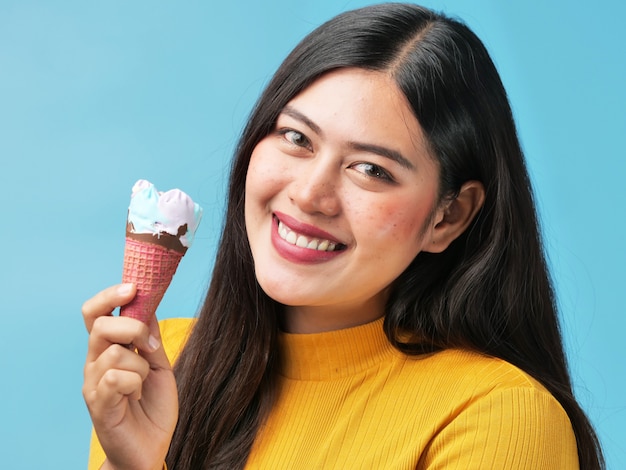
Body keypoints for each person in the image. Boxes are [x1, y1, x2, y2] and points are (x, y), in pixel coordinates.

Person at [82, 3, 605, 469]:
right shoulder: (159, 365)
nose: (311, 194)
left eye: (372, 170)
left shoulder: (500, 417)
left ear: (449, 217)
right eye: (296, 138)